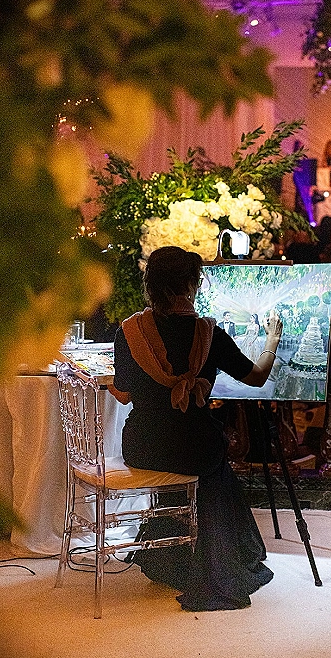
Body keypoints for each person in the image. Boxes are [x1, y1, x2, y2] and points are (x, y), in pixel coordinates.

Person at [110, 246, 283, 612]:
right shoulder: (209, 333)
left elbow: (123, 393)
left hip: (144, 445)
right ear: (193, 283)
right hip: (193, 447)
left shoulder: (129, 332)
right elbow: (256, 376)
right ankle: (215, 558)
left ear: (150, 285)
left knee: (200, 457)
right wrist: (272, 341)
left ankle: (169, 558)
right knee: (212, 464)